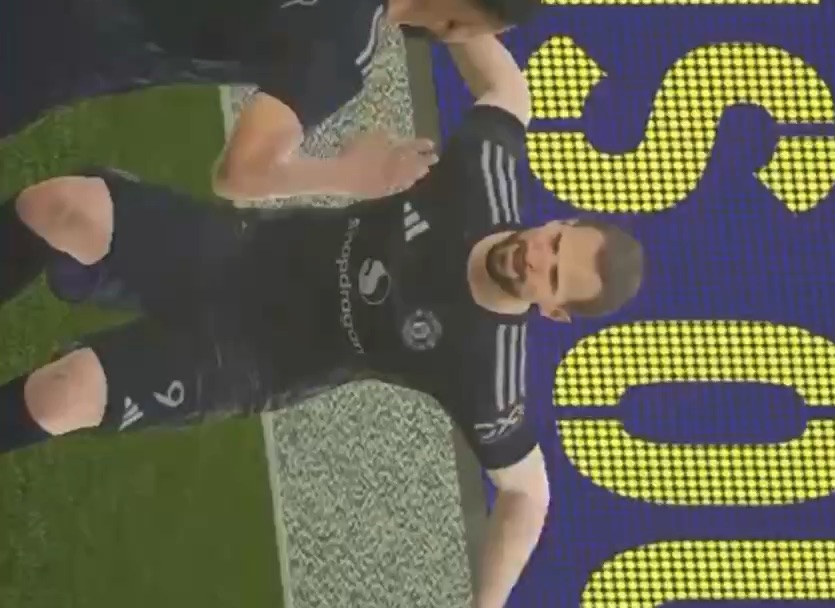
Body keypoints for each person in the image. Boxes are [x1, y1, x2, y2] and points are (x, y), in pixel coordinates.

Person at [0, 35, 645, 607]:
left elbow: (529, 495)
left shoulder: (487, 373)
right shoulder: (486, 173)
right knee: (59, 205)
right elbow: (507, 88)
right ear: (560, 221)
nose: (536, 257)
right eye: (555, 243)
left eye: (552, 277)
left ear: (553, 310)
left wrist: (488, 604)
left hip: (246, 361)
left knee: (61, 396)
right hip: (233, 253)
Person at [1, 0, 542, 200]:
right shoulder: (342, 50)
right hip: (51, 49)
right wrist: (351, 175)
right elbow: (240, 173)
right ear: (456, 26)